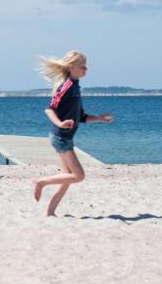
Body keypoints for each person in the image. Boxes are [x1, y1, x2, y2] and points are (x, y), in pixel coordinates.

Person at [32, 51, 114, 217]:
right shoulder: (67, 86)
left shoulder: (75, 87)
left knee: (67, 178)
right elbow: (49, 109)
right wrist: (60, 123)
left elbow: (82, 117)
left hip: (65, 138)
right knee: (78, 176)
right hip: (60, 137)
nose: (86, 70)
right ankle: (41, 182)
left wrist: (99, 118)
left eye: (86, 67)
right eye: (82, 67)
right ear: (71, 67)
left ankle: (50, 213)